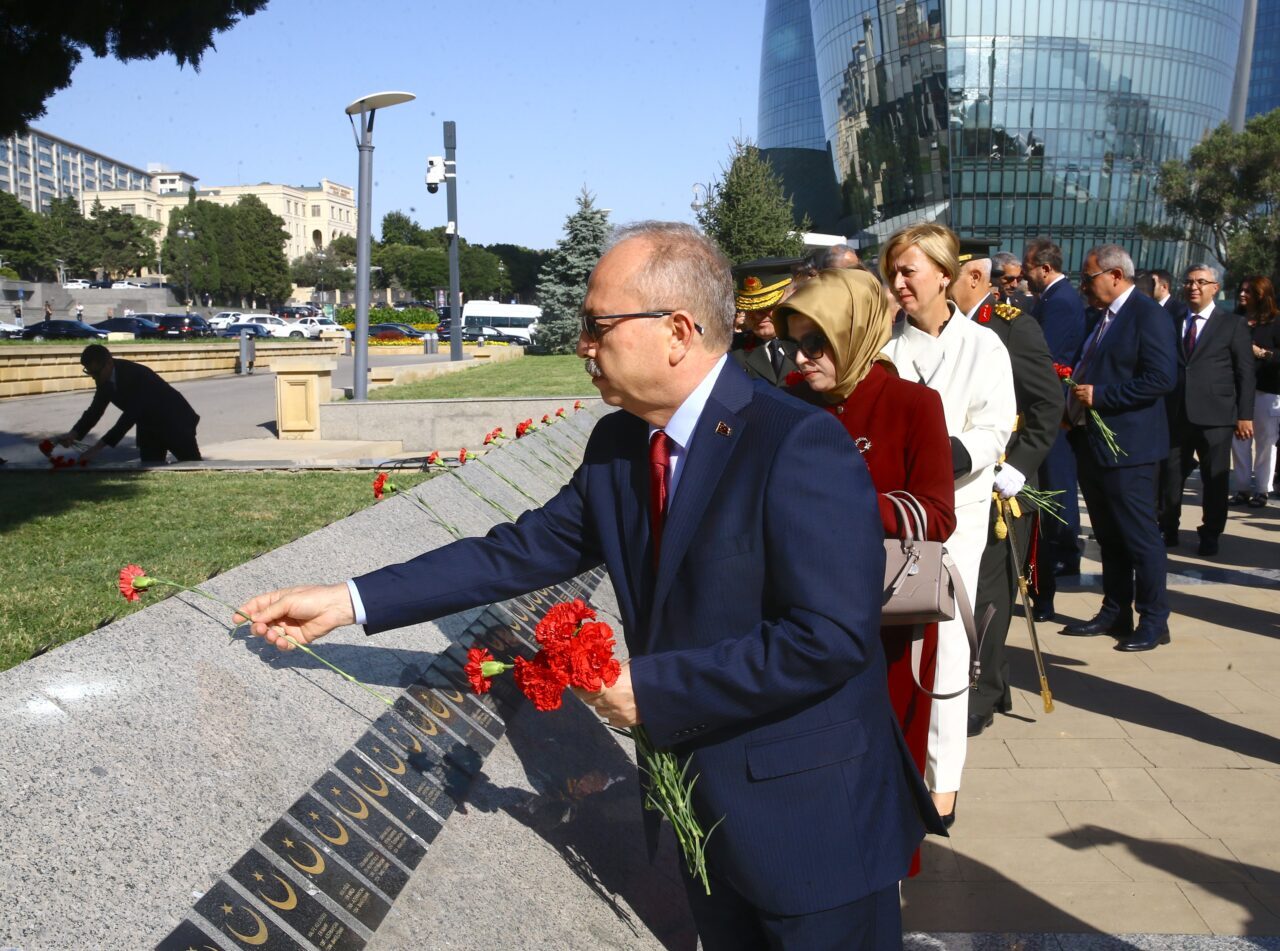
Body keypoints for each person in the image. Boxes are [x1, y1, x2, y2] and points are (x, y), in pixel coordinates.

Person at [237, 221, 942, 949]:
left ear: (676, 330)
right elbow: (516, 551)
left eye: (597, 324)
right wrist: (349, 599)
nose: (582, 344)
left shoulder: (795, 442)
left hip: (813, 830)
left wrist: (655, 688)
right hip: (705, 826)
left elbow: (827, 637)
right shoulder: (619, 445)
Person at [775, 267, 956, 874]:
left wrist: (846, 500)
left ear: (854, 334)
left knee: (885, 752)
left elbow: (936, 515)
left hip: (887, 620)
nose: (802, 357)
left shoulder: (912, 404)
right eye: (794, 342)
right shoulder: (788, 399)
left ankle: (884, 877)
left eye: (816, 342)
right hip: (797, 611)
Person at [879, 223, 1015, 825]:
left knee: (949, 646)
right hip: (890, 516)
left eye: (909, 271)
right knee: (888, 643)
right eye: (894, 273)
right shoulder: (883, 348)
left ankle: (942, 782)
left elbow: (996, 427)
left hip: (957, 517)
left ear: (943, 272)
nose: (900, 282)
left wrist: (943, 456)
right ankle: (891, 765)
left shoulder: (983, 348)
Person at [949, 253, 1062, 736]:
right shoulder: (946, 328)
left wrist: (1019, 466)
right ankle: (994, 677)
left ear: (974, 277)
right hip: (962, 475)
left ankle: (984, 693)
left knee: (988, 590)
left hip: (1003, 483)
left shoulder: (1012, 327)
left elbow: (1047, 402)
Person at [1061, 245, 1176, 651]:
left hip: (1132, 447)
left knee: (1139, 536)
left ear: (1114, 275)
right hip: (1094, 444)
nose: (1085, 286)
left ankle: (1154, 619)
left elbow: (1162, 378)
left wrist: (1104, 395)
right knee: (1109, 535)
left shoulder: (1148, 315)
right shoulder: (1101, 317)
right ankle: (1115, 610)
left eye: (1089, 277)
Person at [1157, 263, 1254, 556]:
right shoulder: (1171, 320)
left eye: (1201, 282)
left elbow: (1245, 373)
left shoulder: (1232, 324)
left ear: (1215, 288)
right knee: (1171, 475)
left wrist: (1244, 415)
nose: (1193, 287)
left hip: (1216, 416)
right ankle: (1168, 527)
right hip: (1176, 413)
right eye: (1188, 282)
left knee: (1215, 478)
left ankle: (1210, 533)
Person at [1022, 238, 1087, 620]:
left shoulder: (1060, 301)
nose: (1026, 275)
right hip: (1049, 405)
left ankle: (1065, 552)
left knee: (1058, 484)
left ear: (1044, 268)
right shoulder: (1048, 299)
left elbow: (1047, 355)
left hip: (1055, 408)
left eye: (1029, 268)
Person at [55, 345, 201, 464]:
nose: (94, 378)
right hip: (148, 427)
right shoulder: (104, 380)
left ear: (109, 363)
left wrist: (98, 448)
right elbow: (95, 411)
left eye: (97, 373)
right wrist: (74, 434)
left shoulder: (133, 374)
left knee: (193, 466)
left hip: (176, 422)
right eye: (90, 373)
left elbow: (129, 416)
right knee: (150, 468)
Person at [1231, 276, 1280, 507]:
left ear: (1262, 295)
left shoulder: (1275, 321)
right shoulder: (1235, 320)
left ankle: (1262, 489)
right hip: (1237, 390)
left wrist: (1260, 353)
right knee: (1239, 441)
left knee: (1265, 442)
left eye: (1248, 291)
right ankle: (1241, 488)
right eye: (1241, 290)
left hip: (1266, 390)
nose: (1243, 294)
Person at [730, 265, 800, 386]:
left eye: (767, 307)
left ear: (792, 300)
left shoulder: (814, 344)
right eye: (749, 308)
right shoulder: (732, 349)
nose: (757, 316)